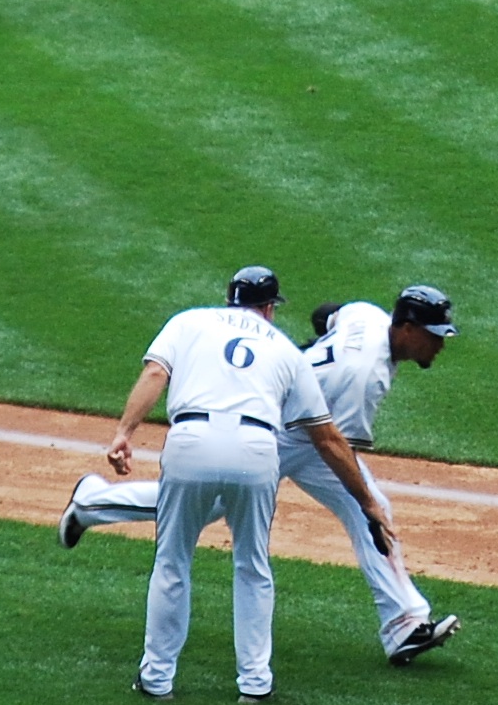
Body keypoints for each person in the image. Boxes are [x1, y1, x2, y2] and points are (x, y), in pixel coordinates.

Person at [61, 284, 461, 666]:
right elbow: (335, 446)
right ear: (407, 329)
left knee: (370, 510)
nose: (440, 344)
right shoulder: (364, 379)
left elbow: (325, 315)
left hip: (304, 425)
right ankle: (91, 502)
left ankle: (404, 622)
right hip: (281, 431)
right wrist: (366, 500)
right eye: (434, 334)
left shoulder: (367, 315)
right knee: (214, 506)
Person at [87, 266, 393, 703]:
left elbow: (155, 375)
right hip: (256, 449)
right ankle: (255, 682)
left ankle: (156, 679)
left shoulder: (189, 321)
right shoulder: (285, 349)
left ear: (231, 298)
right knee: (252, 566)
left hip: (190, 442)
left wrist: (124, 433)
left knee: (172, 561)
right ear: (269, 308)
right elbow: (327, 438)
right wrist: (367, 501)